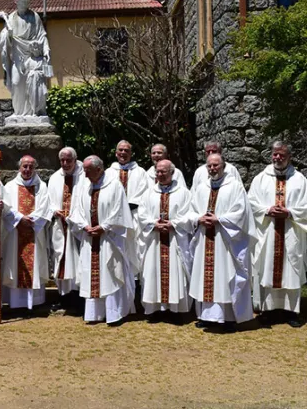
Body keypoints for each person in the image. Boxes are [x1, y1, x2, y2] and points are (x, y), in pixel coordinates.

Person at [189, 153, 255, 330]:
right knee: (206, 276)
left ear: (223, 166)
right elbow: (191, 210)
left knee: (225, 276)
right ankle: (206, 316)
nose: (212, 169)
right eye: (209, 166)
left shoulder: (234, 187)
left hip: (225, 241)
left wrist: (220, 220)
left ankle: (227, 317)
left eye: (216, 165)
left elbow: (241, 213)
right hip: (205, 238)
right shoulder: (202, 187)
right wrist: (199, 218)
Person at [68, 155, 135, 325]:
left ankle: (114, 313)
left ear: (99, 170)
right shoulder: (84, 185)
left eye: (88, 171)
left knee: (111, 272)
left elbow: (119, 211)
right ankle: (94, 314)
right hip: (90, 238)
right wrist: (84, 226)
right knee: (91, 273)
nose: (85, 174)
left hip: (109, 239)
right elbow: (76, 210)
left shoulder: (114, 185)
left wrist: (104, 227)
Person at [248, 142, 307, 327]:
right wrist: (267, 210)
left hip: (291, 231)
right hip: (268, 232)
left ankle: (291, 311)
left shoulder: (299, 180)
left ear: (289, 157)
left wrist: (289, 213)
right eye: (275, 154)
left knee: (291, 270)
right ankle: (268, 310)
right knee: (267, 268)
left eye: (281, 155)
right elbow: (250, 202)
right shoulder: (261, 178)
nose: (277, 158)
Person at [137, 160, 194, 320]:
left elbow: (189, 214)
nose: (160, 175)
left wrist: (173, 224)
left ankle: (176, 310)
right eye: (158, 172)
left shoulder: (183, 193)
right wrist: (154, 224)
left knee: (175, 273)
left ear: (172, 173)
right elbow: (142, 215)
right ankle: (155, 309)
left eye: (163, 172)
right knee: (153, 271)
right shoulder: (148, 193)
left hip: (175, 240)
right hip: (154, 240)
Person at [1, 156, 50, 310]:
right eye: (25, 166)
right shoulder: (9, 187)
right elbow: (5, 208)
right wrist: (20, 218)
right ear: (19, 168)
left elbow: (45, 208)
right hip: (16, 233)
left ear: (35, 169)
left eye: (30, 167)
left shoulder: (42, 187)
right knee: (15, 264)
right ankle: (17, 303)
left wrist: (31, 221)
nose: (27, 170)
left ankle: (34, 302)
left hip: (34, 232)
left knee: (35, 263)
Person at [0, 0, 51, 118]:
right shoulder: (11, 18)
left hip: (33, 56)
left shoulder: (35, 17)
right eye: (22, 1)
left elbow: (42, 35)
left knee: (34, 85)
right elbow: (5, 36)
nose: (25, 3)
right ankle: (18, 113)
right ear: (16, 1)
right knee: (17, 83)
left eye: (27, 1)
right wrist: (7, 35)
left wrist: (46, 50)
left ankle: (34, 111)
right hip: (18, 57)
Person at [47, 147, 86, 310]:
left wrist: (74, 216)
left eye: (68, 160)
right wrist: (54, 211)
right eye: (62, 160)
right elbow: (48, 202)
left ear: (75, 159)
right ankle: (64, 297)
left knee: (78, 261)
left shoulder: (84, 176)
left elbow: (86, 199)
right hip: (59, 226)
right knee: (60, 259)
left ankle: (79, 297)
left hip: (77, 228)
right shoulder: (55, 178)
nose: (65, 163)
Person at [105, 140, 147, 279]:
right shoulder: (108, 172)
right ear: (116, 153)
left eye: (126, 150)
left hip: (134, 217)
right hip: (113, 219)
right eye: (120, 150)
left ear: (131, 153)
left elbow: (144, 193)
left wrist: (127, 206)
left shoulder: (140, 172)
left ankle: (134, 284)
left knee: (134, 249)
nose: (123, 153)